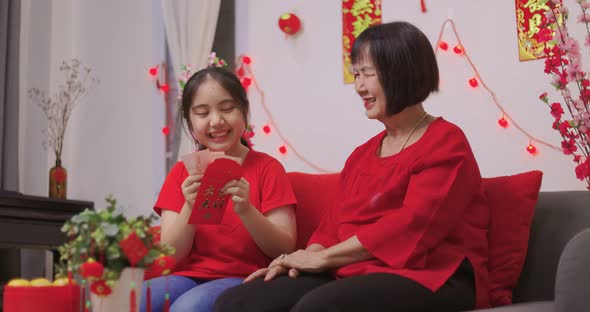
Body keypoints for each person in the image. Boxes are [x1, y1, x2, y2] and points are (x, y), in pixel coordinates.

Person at [214, 21, 490, 312]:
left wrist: (323, 259)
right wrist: (301, 261)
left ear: (402, 72)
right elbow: (331, 227)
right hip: (355, 268)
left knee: (318, 307)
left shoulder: (446, 141)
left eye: (367, 74)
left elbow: (413, 226)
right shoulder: (362, 155)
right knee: (237, 302)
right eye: (356, 74)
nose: (359, 86)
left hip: (434, 275)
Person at [141, 66, 297, 312]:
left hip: (245, 277)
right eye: (202, 112)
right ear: (190, 121)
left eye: (227, 109)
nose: (216, 121)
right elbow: (171, 255)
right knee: (132, 299)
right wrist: (190, 206)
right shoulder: (182, 172)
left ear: (244, 111)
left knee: (187, 308)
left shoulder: (267, 168)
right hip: (187, 274)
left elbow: (285, 247)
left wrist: (246, 209)